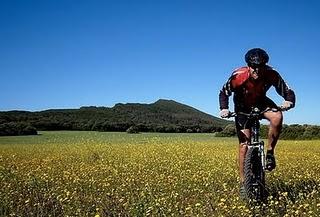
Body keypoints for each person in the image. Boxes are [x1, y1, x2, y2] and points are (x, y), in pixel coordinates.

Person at [218, 48, 296, 195]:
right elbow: (224, 92)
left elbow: (286, 90)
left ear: (265, 65)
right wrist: (224, 108)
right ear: (248, 65)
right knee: (243, 146)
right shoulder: (238, 75)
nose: (257, 70)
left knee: (277, 116)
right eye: (254, 67)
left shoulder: (271, 73)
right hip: (242, 106)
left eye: (261, 67)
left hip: (261, 102)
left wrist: (289, 101)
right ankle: (243, 184)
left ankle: (270, 152)